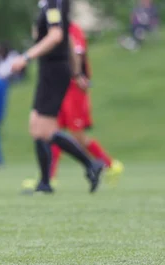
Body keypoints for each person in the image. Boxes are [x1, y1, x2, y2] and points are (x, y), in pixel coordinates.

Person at [12, 0, 103, 194]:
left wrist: (26, 57)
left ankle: (90, 165)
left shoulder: (54, 4)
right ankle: (47, 181)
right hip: (52, 69)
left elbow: (56, 36)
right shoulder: (52, 5)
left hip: (54, 70)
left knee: (43, 130)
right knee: (37, 126)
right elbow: (68, 38)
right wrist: (77, 72)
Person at [48, 23, 124, 182]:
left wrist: (79, 76)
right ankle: (49, 177)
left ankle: (110, 165)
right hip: (58, 87)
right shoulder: (54, 28)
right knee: (53, 132)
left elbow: (78, 53)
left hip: (74, 88)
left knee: (78, 136)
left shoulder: (72, 30)